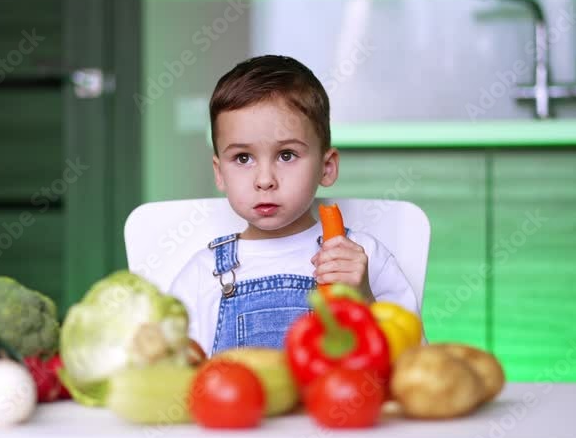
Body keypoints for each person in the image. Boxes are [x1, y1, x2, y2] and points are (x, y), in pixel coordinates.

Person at [169, 54, 421, 356]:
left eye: (286, 155)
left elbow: (414, 364)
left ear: (327, 167)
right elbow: (177, 374)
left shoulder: (363, 258)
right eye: (243, 158)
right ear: (220, 172)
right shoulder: (203, 275)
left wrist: (364, 301)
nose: (265, 180)